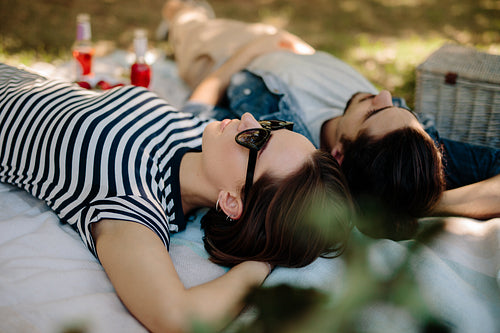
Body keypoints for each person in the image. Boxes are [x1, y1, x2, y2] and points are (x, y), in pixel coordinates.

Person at [0, 63, 353, 332]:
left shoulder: (132, 197)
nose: (247, 118)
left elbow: (176, 317)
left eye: (256, 142)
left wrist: (262, 263)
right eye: (269, 127)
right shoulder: (199, 135)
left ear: (232, 201)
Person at [159, 0, 500, 239]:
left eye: (375, 112)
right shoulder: (407, 143)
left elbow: (198, 116)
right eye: (402, 107)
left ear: (338, 153)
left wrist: (252, 50)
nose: (384, 94)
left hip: (233, 55)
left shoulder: (278, 143)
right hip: (294, 49)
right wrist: (423, 199)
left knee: (186, 15)